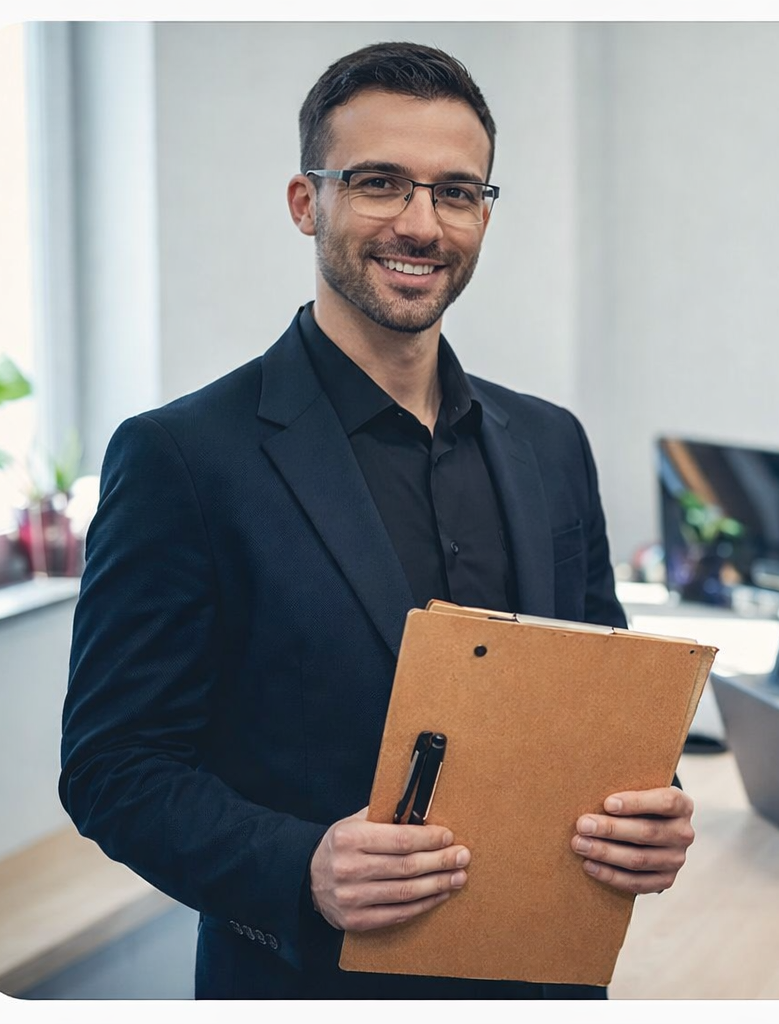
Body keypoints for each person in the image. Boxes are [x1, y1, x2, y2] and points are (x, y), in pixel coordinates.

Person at [59, 41, 694, 1000]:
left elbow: (602, 697)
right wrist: (301, 865)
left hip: (548, 978)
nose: (421, 223)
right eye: (379, 183)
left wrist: (655, 807)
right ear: (306, 202)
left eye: (457, 192)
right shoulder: (181, 458)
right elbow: (114, 766)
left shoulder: (552, 443)